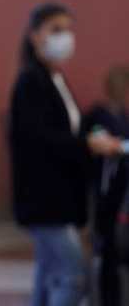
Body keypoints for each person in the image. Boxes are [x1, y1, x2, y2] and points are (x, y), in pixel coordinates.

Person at [8, 2, 124, 306]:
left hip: (63, 198)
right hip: (44, 200)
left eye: (69, 30)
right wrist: (88, 144)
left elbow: (72, 128)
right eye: (56, 30)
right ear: (35, 36)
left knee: (48, 277)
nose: (65, 37)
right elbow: (40, 138)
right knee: (74, 278)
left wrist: (97, 137)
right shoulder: (31, 81)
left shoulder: (55, 79)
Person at [83, 65, 129, 306]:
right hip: (104, 180)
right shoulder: (98, 112)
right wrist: (109, 144)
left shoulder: (122, 111)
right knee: (106, 236)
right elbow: (95, 136)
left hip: (121, 180)